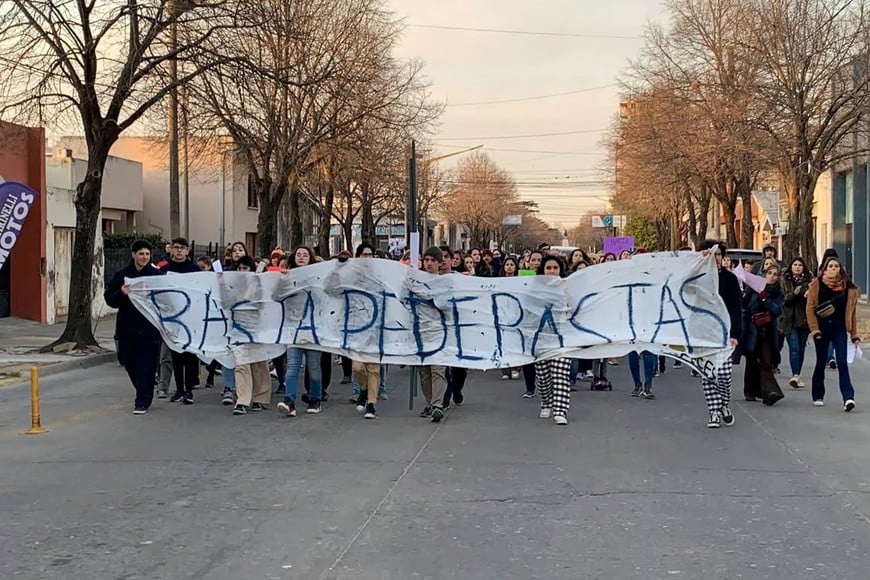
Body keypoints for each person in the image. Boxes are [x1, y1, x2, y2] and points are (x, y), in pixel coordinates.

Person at [104, 239, 166, 414]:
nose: (144, 257)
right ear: (134, 255)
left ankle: (142, 400)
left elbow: (166, 299)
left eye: (147, 254)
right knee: (128, 362)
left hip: (149, 328)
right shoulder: (122, 275)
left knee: (146, 364)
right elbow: (110, 299)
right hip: (127, 327)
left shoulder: (156, 275)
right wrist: (122, 293)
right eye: (141, 254)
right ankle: (142, 387)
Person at [696, 240, 742, 429]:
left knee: (724, 375)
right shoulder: (698, 278)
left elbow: (736, 308)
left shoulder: (730, 279)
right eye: (712, 254)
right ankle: (714, 412)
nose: (716, 258)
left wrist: (735, 334)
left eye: (719, 255)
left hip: (725, 334)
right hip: (704, 334)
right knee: (708, 375)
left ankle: (724, 403)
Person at [806, 256, 861, 412]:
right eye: (830, 266)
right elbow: (810, 308)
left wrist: (854, 333)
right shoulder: (816, 285)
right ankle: (818, 394)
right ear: (825, 269)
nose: (833, 268)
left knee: (842, 363)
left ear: (840, 269)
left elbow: (852, 313)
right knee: (821, 361)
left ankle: (848, 397)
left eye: (836, 266)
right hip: (821, 329)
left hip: (839, 329)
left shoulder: (848, 288)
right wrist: (814, 329)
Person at [160, 238, 201, 404]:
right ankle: (179, 389)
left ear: (187, 251)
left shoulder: (194, 269)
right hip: (172, 319)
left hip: (189, 318)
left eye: (182, 248)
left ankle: (189, 390)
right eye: (176, 247)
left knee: (190, 355)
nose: (178, 251)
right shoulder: (164, 270)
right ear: (171, 250)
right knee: (175, 355)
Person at [533, 255, 572, 425]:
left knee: (560, 374)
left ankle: (560, 410)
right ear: (542, 270)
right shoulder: (532, 290)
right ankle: (547, 402)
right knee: (543, 376)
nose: (552, 271)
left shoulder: (569, 288)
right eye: (548, 268)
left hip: (563, 339)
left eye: (555, 268)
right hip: (541, 340)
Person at [742, 264, 786, 405]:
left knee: (766, 362)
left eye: (775, 274)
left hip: (767, 332)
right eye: (769, 273)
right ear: (764, 274)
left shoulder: (778, 292)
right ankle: (750, 391)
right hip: (753, 330)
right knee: (752, 361)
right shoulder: (754, 288)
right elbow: (746, 305)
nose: (772, 277)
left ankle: (771, 392)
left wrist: (765, 299)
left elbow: (776, 310)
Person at [418, 246, 448, 423]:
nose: (429, 264)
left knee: (438, 370)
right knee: (424, 372)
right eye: (426, 260)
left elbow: (444, 304)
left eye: (432, 261)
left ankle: (438, 405)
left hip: (439, 333)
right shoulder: (417, 281)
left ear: (439, 263)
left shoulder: (444, 283)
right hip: (420, 333)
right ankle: (429, 402)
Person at [779, 257, 811, 388]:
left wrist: (808, 293)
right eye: (795, 265)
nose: (797, 267)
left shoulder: (809, 281)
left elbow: (812, 299)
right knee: (794, 348)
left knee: (802, 348)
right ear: (791, 267)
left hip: (803, 319)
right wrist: (794, 293)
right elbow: (784, 299)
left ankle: (798, 374)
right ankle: (795, 375)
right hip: (789, 319)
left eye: (800, 265)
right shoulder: (784, 280)